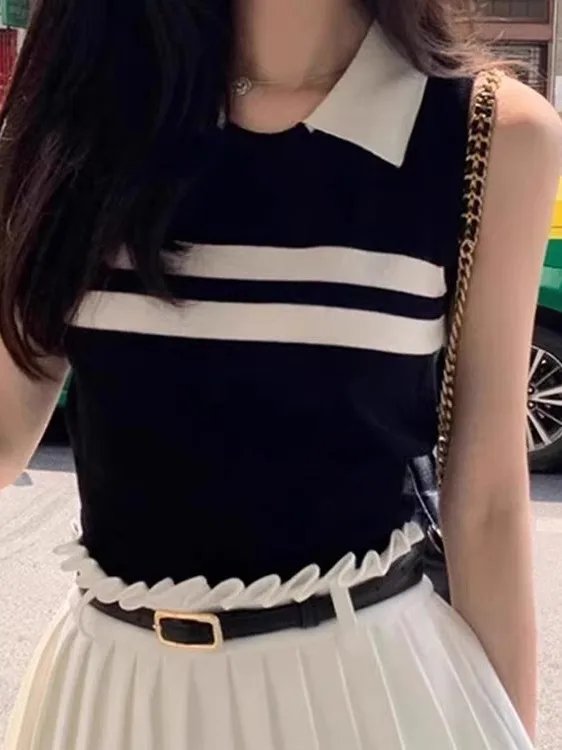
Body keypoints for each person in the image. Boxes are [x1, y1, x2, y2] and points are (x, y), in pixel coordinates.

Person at [1, 0, 560, 748]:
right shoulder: (97, 110)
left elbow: (486, 504)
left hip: (369, 698)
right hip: (113, 699)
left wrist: (508, 730)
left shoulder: (487, 133)